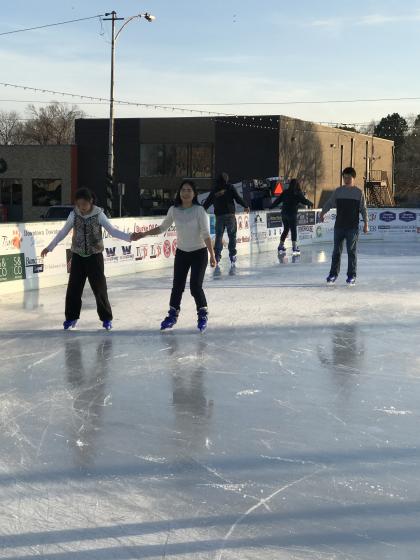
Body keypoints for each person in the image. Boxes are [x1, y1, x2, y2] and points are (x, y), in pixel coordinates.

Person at [41, 187, 135, 330]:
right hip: (78, 256)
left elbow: (113, 231)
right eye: (78, 205)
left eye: (83, 204)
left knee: (99, 289)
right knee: (74, 289)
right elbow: (63, 232)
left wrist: (129, 237)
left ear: (91, 202)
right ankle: (71, 318)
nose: (81, 208)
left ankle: (106, 318)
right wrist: (50, 247)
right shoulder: (74, 214)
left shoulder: (99, 214)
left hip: (95, 256)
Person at [132, 180, 216, 332]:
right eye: (183, 190)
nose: (185, 193)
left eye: (189, 190)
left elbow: (206, 234)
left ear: (194, 193)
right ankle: (172, 315)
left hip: (199, 252)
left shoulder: (200, 211)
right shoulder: (174, 210)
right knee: (177, 286)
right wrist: (143, 234)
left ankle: (202, 314)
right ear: (179, 192)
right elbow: (162, 227)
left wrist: (212, 255)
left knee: (195, 286)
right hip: (182, 252)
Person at [319, 167, 369, 285]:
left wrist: (366, 223)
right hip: (339, 227)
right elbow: (330, 203)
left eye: (348, 177)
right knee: (336, 251)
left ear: (353, 178)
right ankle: (333, 275)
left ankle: (351, 276)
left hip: (352, 227)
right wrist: (322, 212)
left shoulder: (359, 192)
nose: (346, 179)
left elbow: (363, 209)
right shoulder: (338, 191)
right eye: (344, 177)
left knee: (351, 252)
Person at [202, 172, 249, 274]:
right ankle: (232, 255)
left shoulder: (215, 190)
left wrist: (202, 210)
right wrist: (245, 206)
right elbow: (237, 198)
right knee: (232, 235)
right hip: (230, 215)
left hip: (219, 217)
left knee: (219, 236)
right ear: (227, 180)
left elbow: (208, 202)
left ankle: (217, 256)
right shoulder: (230, 187)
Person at [270, 178, 313, 254]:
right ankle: (294, 247)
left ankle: (281, 245)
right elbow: (304, 201)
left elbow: (278, 200)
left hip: (284, 214)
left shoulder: (285, 192)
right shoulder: (297, 193)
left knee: (286, 229)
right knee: (293, 230)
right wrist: (311, 203)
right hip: (292, 214)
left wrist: (271, 206)